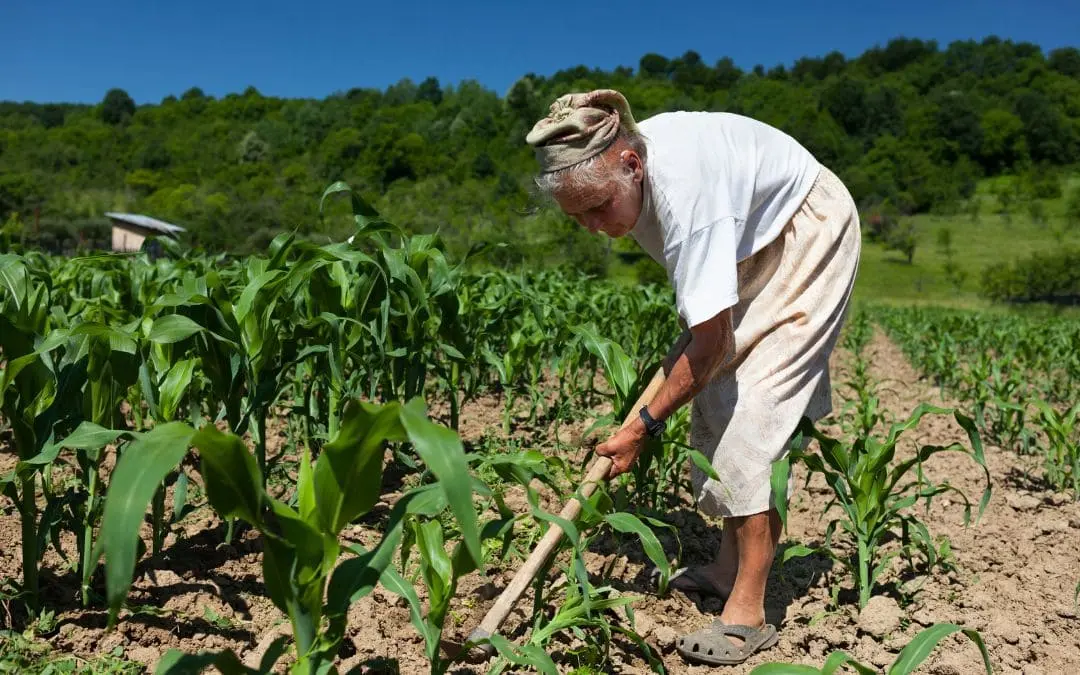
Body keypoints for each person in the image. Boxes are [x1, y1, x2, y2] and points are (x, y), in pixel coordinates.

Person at [525, 89, 861, 666]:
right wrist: (655, 404)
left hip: (808, 231)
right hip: (750, 240)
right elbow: (705, 340)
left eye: (598, 207)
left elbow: (707, 346)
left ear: (632, 164)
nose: (592, 226)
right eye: (576, 215)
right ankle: (728, 567)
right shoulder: (636, 176)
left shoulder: (686, 198)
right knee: (717, 399)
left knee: (754, 414)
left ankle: (749, 611)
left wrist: (643, 425)